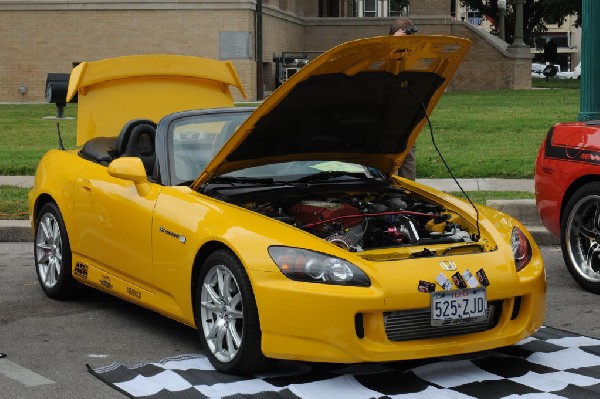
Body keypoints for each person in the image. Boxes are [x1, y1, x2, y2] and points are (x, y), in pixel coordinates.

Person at [389, 17, 417, 180]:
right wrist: (392, 45)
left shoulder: (413, 55)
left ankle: (408, 194)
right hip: (388, 113)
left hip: (408, 112)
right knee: (389, 158)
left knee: (408, 157)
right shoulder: (385, 54)